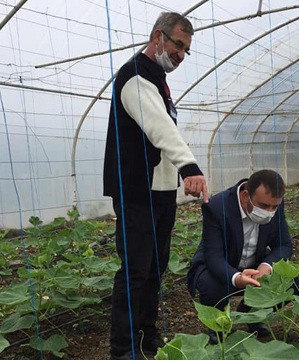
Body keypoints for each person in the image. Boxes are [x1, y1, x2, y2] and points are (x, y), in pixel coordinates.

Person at [103, 12, 208, 360]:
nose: (180, 54)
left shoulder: (158, 80)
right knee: (135, 271)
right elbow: (160, 128)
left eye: (185, 50)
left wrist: (177, 176)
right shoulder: (134, 76)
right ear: (157, 36)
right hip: (137, 192)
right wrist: (190, 166)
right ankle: (123, 349)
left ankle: (147, 335)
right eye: (178, 44)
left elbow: (165, 131)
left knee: (154, 268)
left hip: (161, 193)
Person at [187, 170, 293, 344]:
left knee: (296, 281)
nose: (270, 212)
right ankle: (218, 324)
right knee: (212, 286)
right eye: (264, 206)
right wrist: (236, 278)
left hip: (255, 265)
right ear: (245, 196)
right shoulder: (216, 206)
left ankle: (252, 312)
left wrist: (266, 266)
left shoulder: (274, 205)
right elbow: (213, 256)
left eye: (274, 207)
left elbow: (284, 245)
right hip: (224, 266)